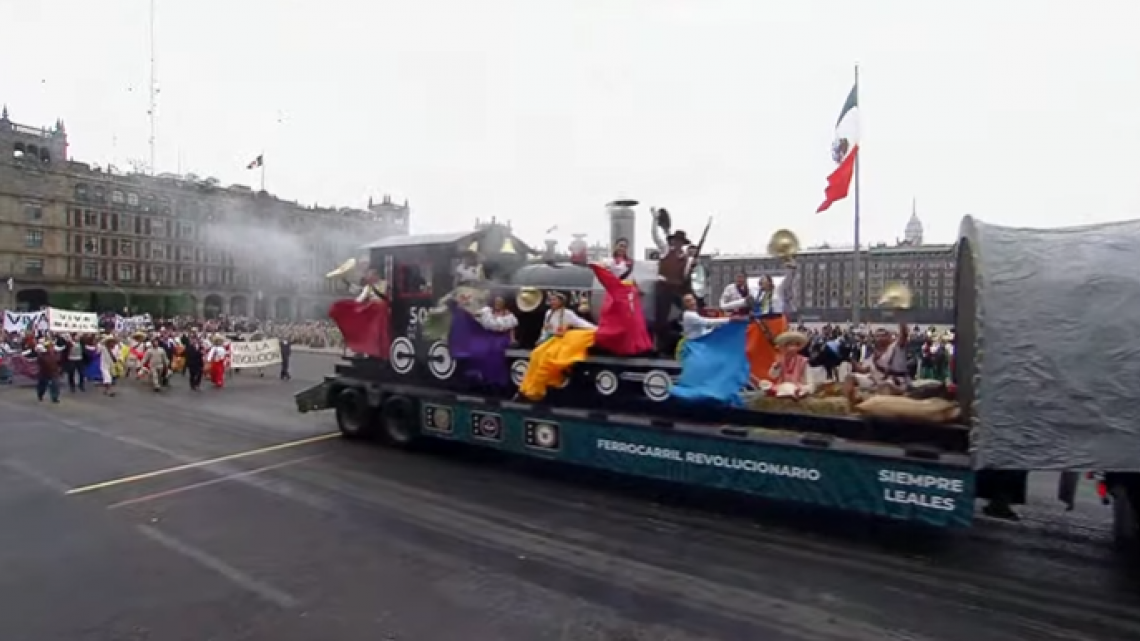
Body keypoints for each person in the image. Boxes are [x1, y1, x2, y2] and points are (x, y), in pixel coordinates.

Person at [518, 291, 596, 401]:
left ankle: (543, 386)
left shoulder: (567, 313)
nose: (552, 302)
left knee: (548, 357)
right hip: (550, 340)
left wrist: (597, 329)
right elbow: (545, 329)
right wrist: (540, 340)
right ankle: (528, 388)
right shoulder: (548, 313)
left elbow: (580, 323)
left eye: (555, 300)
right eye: (551, 300)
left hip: (561, 340)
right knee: (535, 354)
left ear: (561, 301)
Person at [745, 260, 797, 384]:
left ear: (769, 281)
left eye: (763, 279)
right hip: (762, 324)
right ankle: (758, 377)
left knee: (778, 350)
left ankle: (779, 377)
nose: (761, 281)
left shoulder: (778, 290)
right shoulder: (758, 295)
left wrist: (792, 269)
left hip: (776, 322)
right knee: (752, 350)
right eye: (760, 280)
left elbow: (788, 281)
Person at [650, 211, 691, 355]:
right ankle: (658, 346)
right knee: (661, 317)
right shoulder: (666, 250)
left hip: (677, 289)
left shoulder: (686, 259)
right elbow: (655, 236)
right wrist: (654, 220)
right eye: (676, 241)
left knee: (689, 310)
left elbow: (686, 276)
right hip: (664, 288)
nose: (677, 244)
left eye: (680, 242)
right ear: (673, 241)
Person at [844, 323, 911, 405]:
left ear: (889, 337)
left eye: (883, 335)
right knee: (849, 377)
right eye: (877, 336)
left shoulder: (896, 347)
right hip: (875, 382)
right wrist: (850, 359)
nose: (880, 338)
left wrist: (901, 322)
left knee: (885, 386)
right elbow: (862, 370)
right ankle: (851, 406)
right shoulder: (873, 356)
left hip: (896, 382)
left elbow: (904, 335)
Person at [769, 331, 811, 396]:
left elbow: (808, 380)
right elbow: (773, 376)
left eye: (795, 345)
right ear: (784, 347)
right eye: (789, 344)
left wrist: (804, 389)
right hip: (782, 388)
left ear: (798, 347)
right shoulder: (780, 359)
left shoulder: (804, 361)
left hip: (798, 389)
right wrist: (776, 366)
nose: (792, 348)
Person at [34, 339, 62, 403]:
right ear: (46, 348)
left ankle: (55, 398)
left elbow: (59, 362)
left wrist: (59, 369)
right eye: (49, 347)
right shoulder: (42, 355)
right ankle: (40, 394)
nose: (51, 348)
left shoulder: (56, 354)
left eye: (52, 346)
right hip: (44, 373)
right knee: (42, 385)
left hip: (54, 373)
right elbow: (39, 363)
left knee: (55, 385)